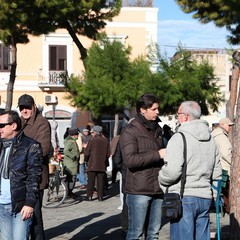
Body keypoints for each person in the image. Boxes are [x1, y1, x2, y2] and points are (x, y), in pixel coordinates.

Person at [159, 101, 222, 240]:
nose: (177, 117)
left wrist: (161, 178)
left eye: (178, 114)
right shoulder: (211, 139)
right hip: (205, 196)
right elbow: (217, 170)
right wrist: (214, 193)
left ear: (186, 117)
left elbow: (172, 171)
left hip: (184, 197)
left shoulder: (179, 138)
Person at [120, 93, 165, 240]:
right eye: (154, 109)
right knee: (135, 233)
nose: (157, 112)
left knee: (153, 234)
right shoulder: (130, 131)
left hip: (158, 188)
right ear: (142, 110)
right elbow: (130, 160)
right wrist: (158, 155)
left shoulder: (158, 129)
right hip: (138, 190)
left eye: (157, 109)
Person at [0, 110, 43, 240]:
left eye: (2, 125)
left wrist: (30, 203)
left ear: (13, 126)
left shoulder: (31, 146)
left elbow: (34, 177)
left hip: (21, 206)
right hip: (1, 205)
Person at [18, 94, 51, 240]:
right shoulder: (17, 122)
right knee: (22, 216)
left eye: (27, 107)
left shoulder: (41, 123)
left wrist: (20, 158)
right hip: (18, 178)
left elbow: (43, 149)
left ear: (34, 107)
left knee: (35, 217)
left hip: (35, 177)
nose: (24, 110)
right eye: (22, 108)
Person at [212, 117, 234, 213]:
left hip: (219, 169)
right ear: (223, 125)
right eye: (229, 125)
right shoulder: (221, 137)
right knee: (228, 193)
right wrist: (233, 164)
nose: (230, 128)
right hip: (225, 169)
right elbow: (226, 153)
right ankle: (229, 210)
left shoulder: (215, 135)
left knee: (225, 193)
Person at [85, 125, 109, 201]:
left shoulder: (92, 140)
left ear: (95, 132)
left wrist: (86, 160)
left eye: (93, 132)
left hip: (92, 163)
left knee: (90, 181)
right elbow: (108, 153)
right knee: (100, 181)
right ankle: (100, 197)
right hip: (102, 164)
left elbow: (87, 152)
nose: (92, 133)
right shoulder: (106, 141)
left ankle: (89, 196)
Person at [63, 128, 80, 198]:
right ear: (74, 135)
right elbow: (66, 151)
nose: (78, 136)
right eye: (77, 134)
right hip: (71, 164)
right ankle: (69, 192)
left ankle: (68, 191)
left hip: (72, 163)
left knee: (70, 178)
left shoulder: (72, 140)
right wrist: (74, 157)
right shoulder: (70, 142)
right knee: (72, 178)